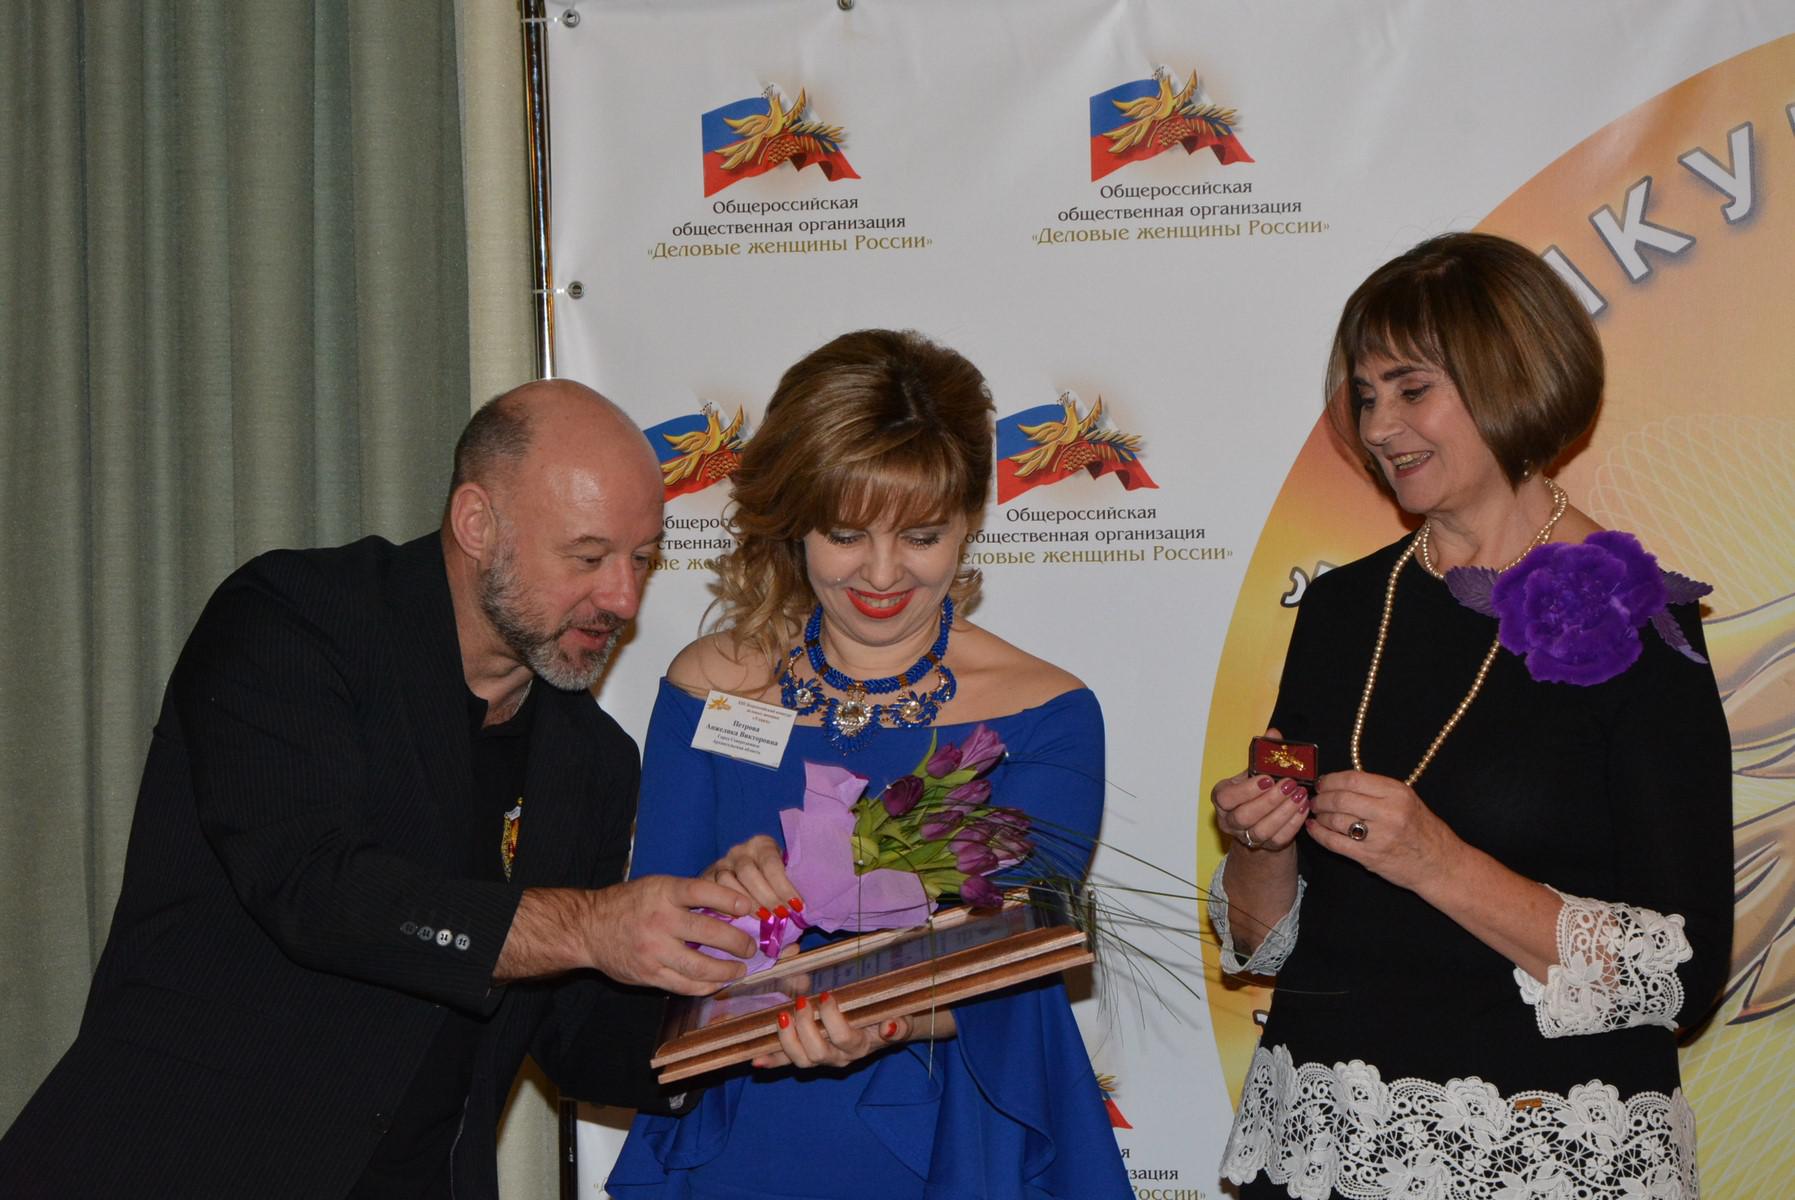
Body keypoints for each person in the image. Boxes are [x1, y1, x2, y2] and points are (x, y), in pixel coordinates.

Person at [0, 381, 764, 1199]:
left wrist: (741, 1000)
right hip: (172, 1165)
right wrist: (592, 925)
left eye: (641, 559)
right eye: (587, 557)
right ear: (477, 523)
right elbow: (315, 890)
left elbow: (574, 1037)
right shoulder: (297, 621)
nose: (622, 598)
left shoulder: (594, 759)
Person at [1207, 233, 1732, 1198]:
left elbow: (1683, 977)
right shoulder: (1341, 608)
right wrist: (1258, 843)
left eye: (1411, 390)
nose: (1378, 426)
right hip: (1323, 1145)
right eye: (1364, 395)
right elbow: (1263, 936)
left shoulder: (1639, 619)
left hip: (1540, 1151)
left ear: (1514, 378)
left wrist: (1437, 861)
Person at [606, 329, 1132, 1199]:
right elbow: (652, 946)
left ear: (968, 522)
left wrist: (885, 1019)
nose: (882, 573)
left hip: (950, 1139)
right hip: (741, 1132)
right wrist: (718, 893)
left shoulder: (1047, 713)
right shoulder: (708, 686)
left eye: (922, 535)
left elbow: (1016, 964)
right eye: (846, 534)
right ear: (795, 522)